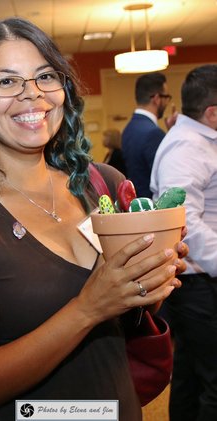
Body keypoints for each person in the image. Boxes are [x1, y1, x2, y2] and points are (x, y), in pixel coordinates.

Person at [0, 18, 187, 421]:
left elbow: (126, 313)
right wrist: (88, 308)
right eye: (7, 82)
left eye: (45, 76)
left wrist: (149, 279)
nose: (32, 96)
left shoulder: (102, 185)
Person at [150, 64, 217, 421]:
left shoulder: (200, 141)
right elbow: (184, 220)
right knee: (213, 383)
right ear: (212, 112)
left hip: (199, 280)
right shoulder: (187, 148)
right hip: (198, 283)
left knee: (192, 377)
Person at [121, 72, 177, 198]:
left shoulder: (129, 129)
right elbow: (165, 175)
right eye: (166, 97)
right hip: (152, 207)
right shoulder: (154, 133)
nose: (167, 102)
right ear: (157, 99)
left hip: (137, 202)